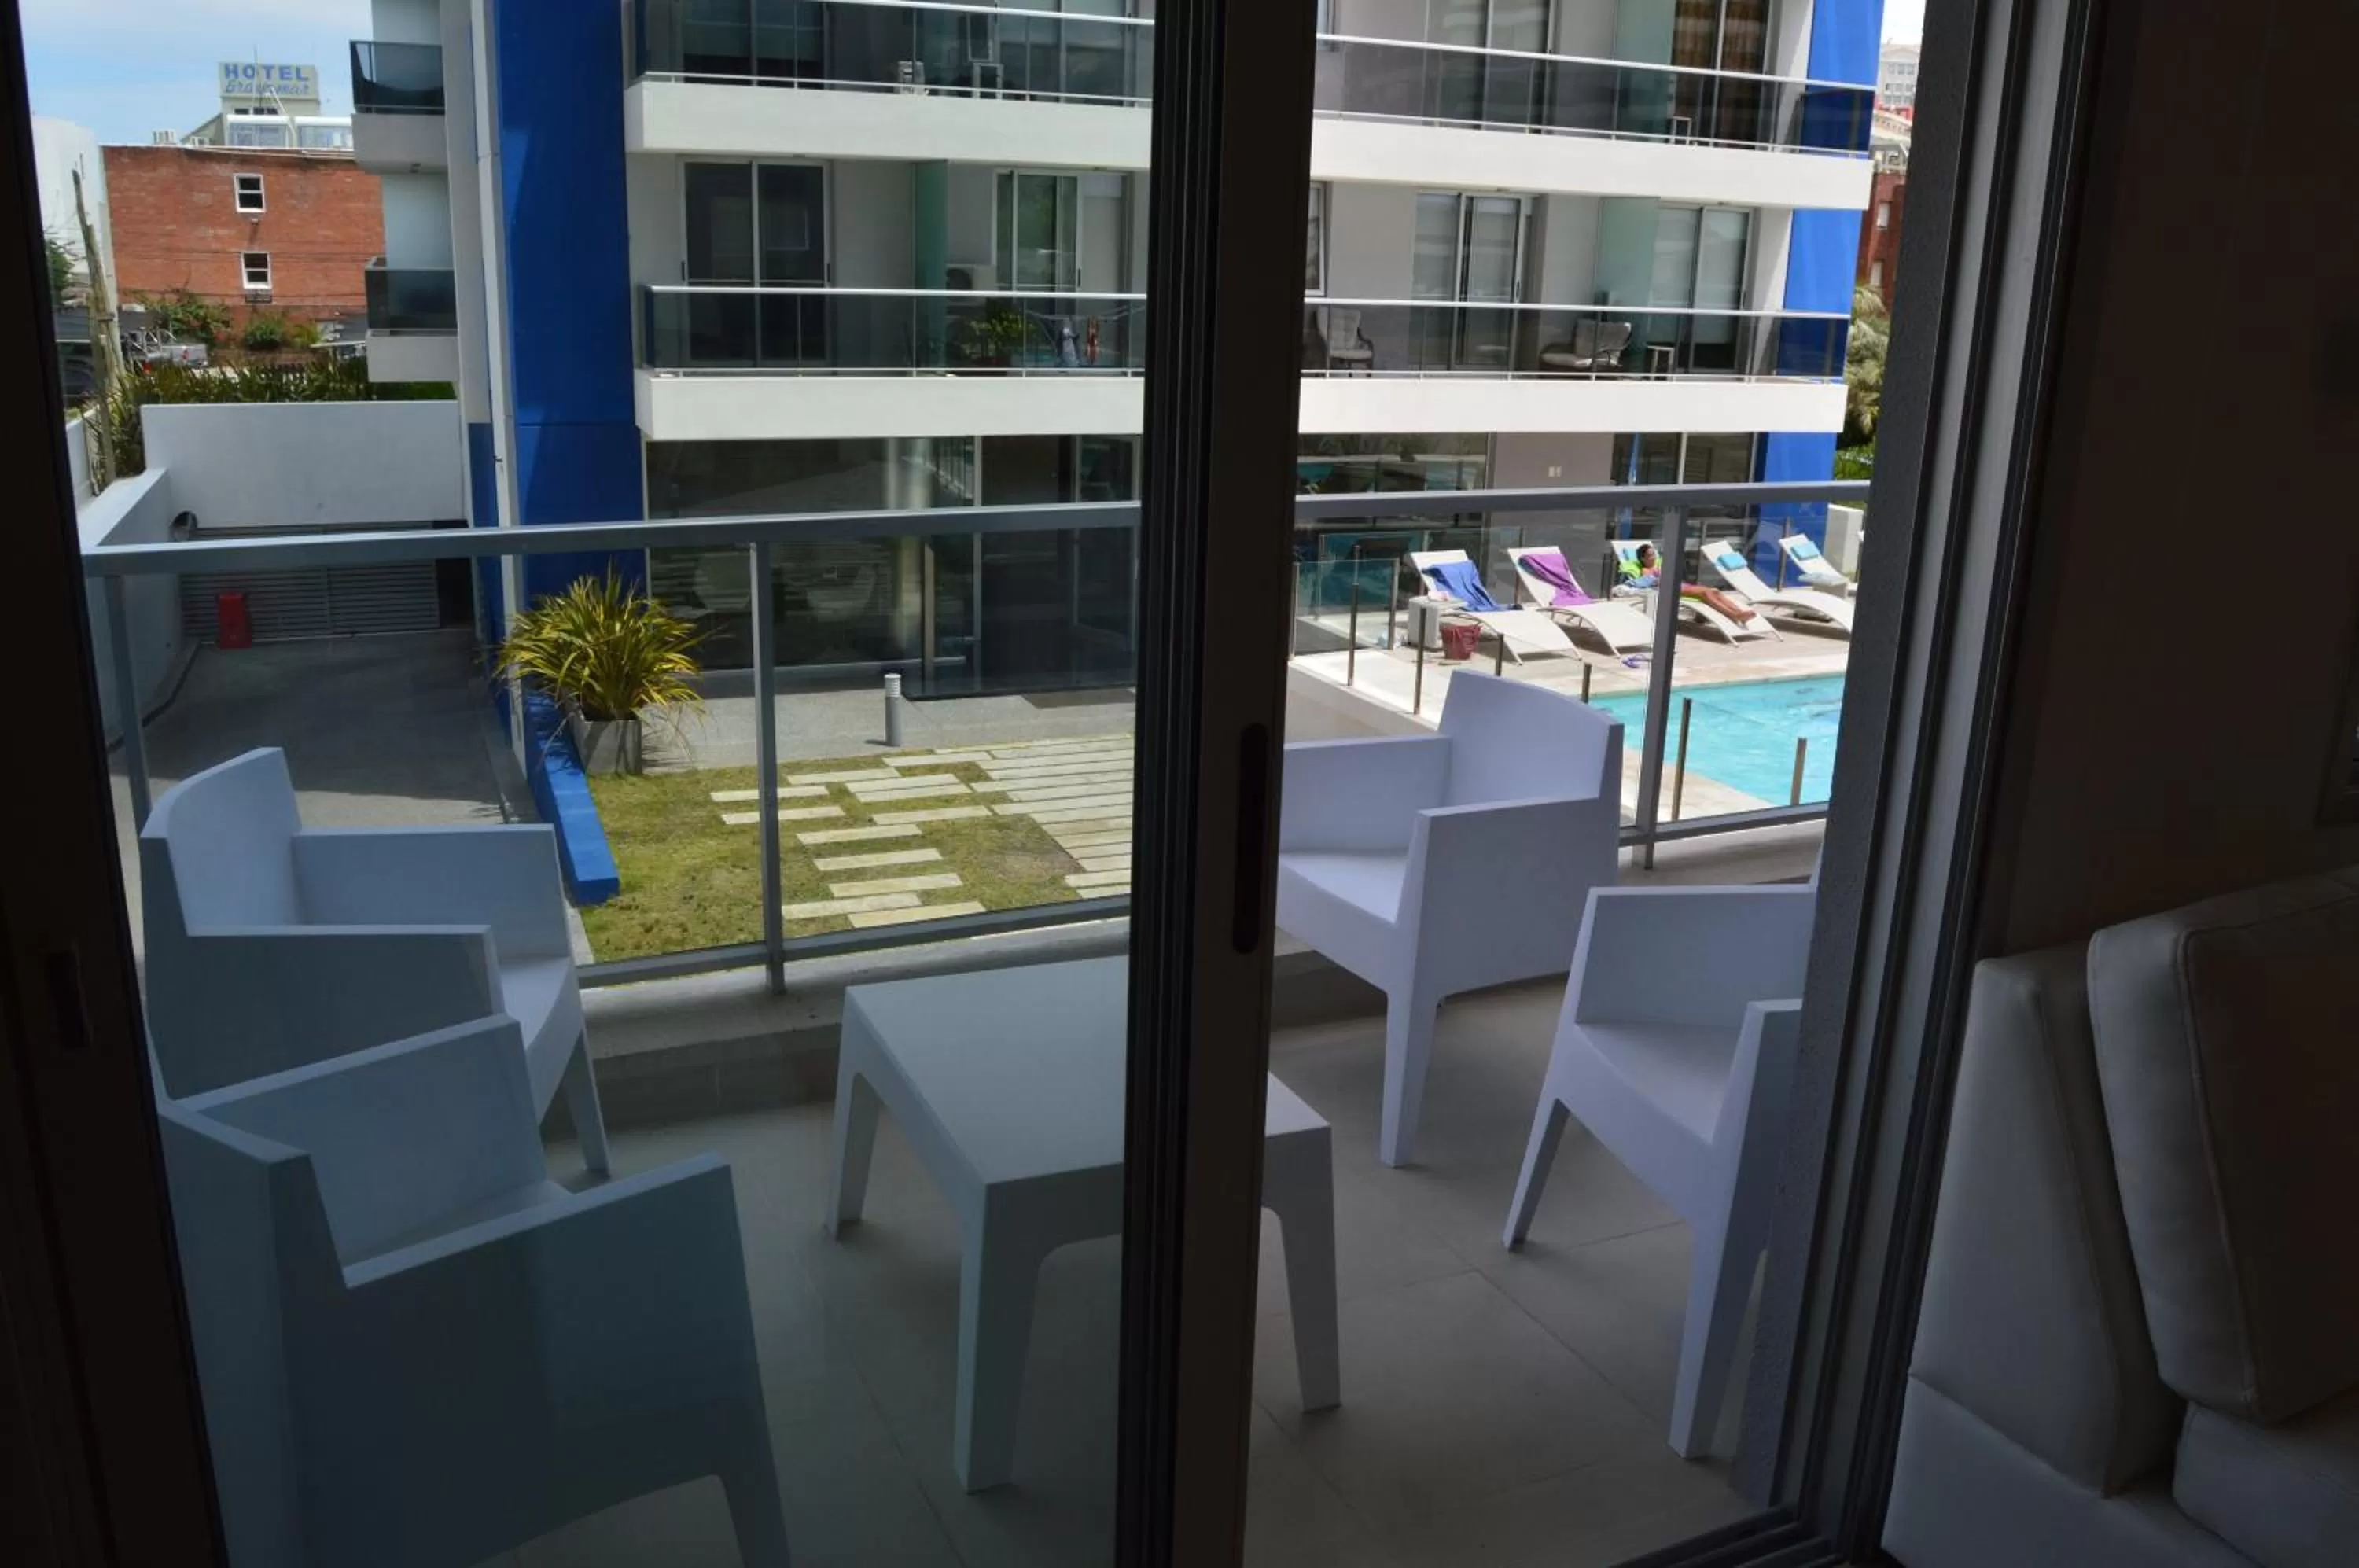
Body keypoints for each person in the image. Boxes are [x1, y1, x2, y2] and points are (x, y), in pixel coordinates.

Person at [1621, 543, 1759, 624]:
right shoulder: (1646, 570)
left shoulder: (1660, 565)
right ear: (1643, 558)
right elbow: (1649, 583)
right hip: (1671, 589)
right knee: (1705, 593)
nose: (1654, 557)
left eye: (1654, 554)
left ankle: (1739, 613)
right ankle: (1733, 615)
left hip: (1680, 585)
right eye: (1650, 555)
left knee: (1715, 591)